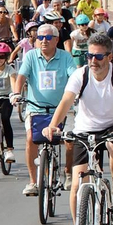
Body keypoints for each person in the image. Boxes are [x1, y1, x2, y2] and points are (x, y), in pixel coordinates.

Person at [44, 32, 113, 225]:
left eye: (99, 57)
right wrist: (54, 125)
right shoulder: (80, 74)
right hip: (84, 129)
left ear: (110, 56)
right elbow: (66, 99)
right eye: (89, 56)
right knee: (77, 184)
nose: (93, 61)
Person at [14, 23, 80, 197]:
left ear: (56, 40)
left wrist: (80, 93)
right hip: (36, 108)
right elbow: (21, 76)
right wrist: (15, 93)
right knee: (30, 139)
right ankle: (33, 181)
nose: (43, 41)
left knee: (69, 140)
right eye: (40, 38)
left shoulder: (65, 57)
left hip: (62, 109)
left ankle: (67, 173)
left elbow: (74, 76)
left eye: (48, 38)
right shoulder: (31, 56)